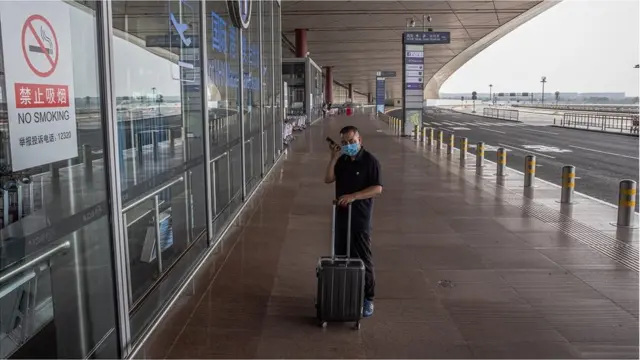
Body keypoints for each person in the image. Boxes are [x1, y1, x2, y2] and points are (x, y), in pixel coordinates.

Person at [324, 125, 382, 317]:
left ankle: (368, 299)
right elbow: (328, 179)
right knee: (341, 255)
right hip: (341, 217)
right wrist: (333, 158)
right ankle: (346, 292)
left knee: (363, 257)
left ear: (360, 140)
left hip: (360, 218)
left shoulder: (370, 161)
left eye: (351, 141)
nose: (348, 145)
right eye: (344, 143)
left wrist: (354, 196)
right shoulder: (342, 161)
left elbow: (377, 188)